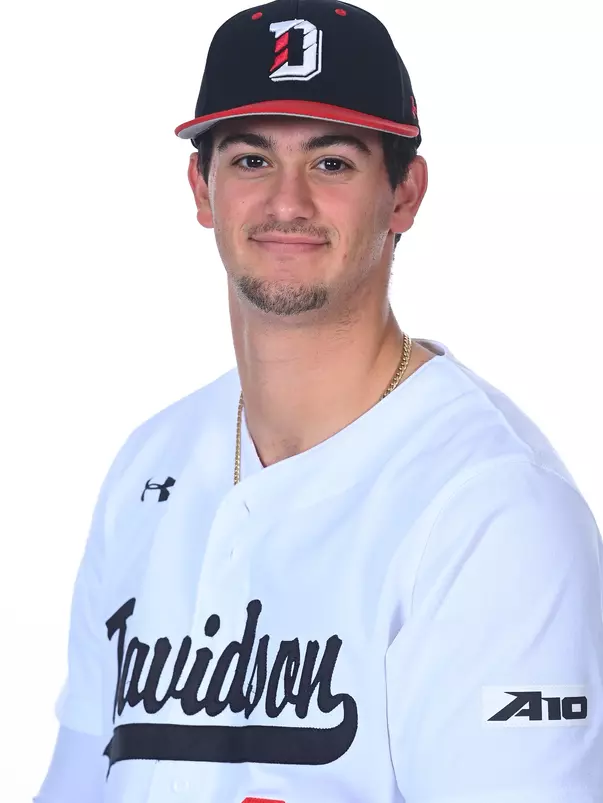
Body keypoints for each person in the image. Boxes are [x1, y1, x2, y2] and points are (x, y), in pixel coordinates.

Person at [34, 1, 603, 801]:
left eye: (332, 162)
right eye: (251, 160)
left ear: (404, 195)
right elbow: (78, 780)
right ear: (202, 189)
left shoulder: (493, 511)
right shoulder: (148, 463)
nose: (287, 202)